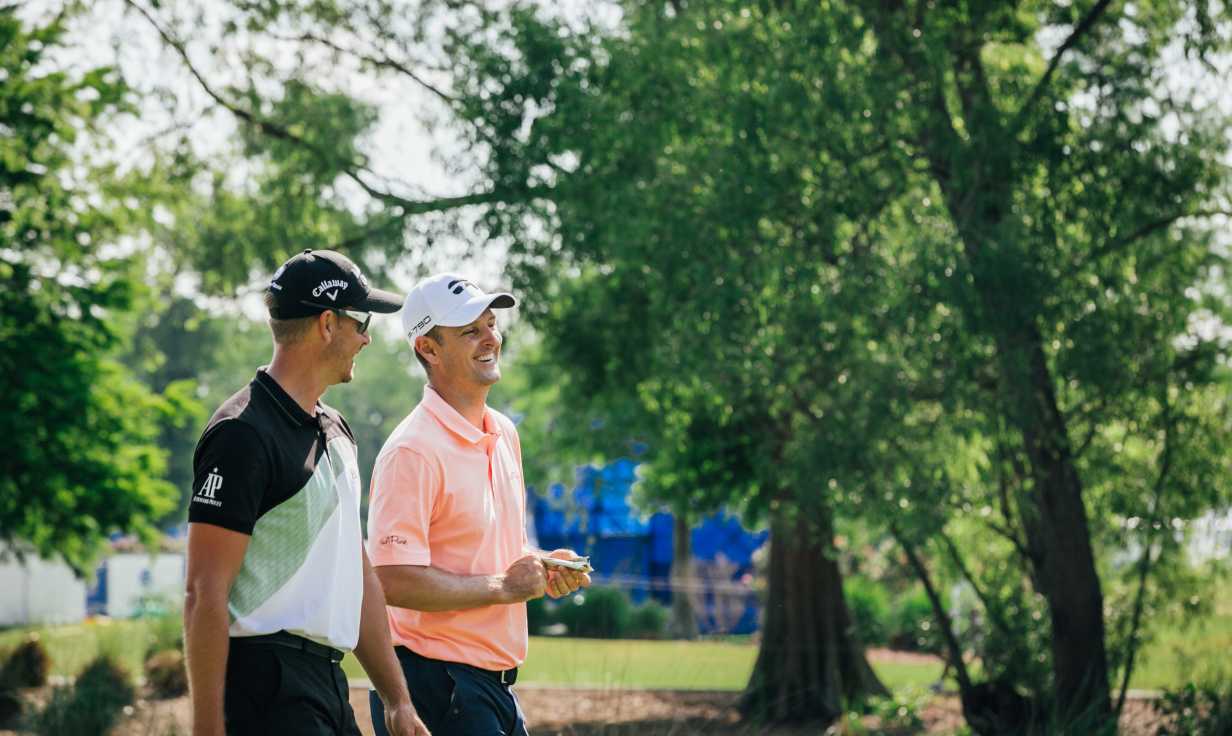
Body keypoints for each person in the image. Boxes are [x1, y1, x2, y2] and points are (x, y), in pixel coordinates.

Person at [185, 249, 430, 736]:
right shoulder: (242, 434)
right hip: (264, 683)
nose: (366, 338)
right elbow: (203, 592)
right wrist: (207, 729)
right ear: (326, 324)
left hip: (326, 683)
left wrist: (397, 699)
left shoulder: (337, 430)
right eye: (361, 322)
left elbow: (355, 571)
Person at [367, 273, 591, 736]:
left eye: (491, 323)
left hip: (493, 689)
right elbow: (392, 580)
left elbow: (492, 551)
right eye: (470, 330)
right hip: (436, 685)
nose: (491, 337)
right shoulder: (412, 449)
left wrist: (540, 566)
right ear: (427, 348)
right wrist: (504, 587)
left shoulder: (504, 432)